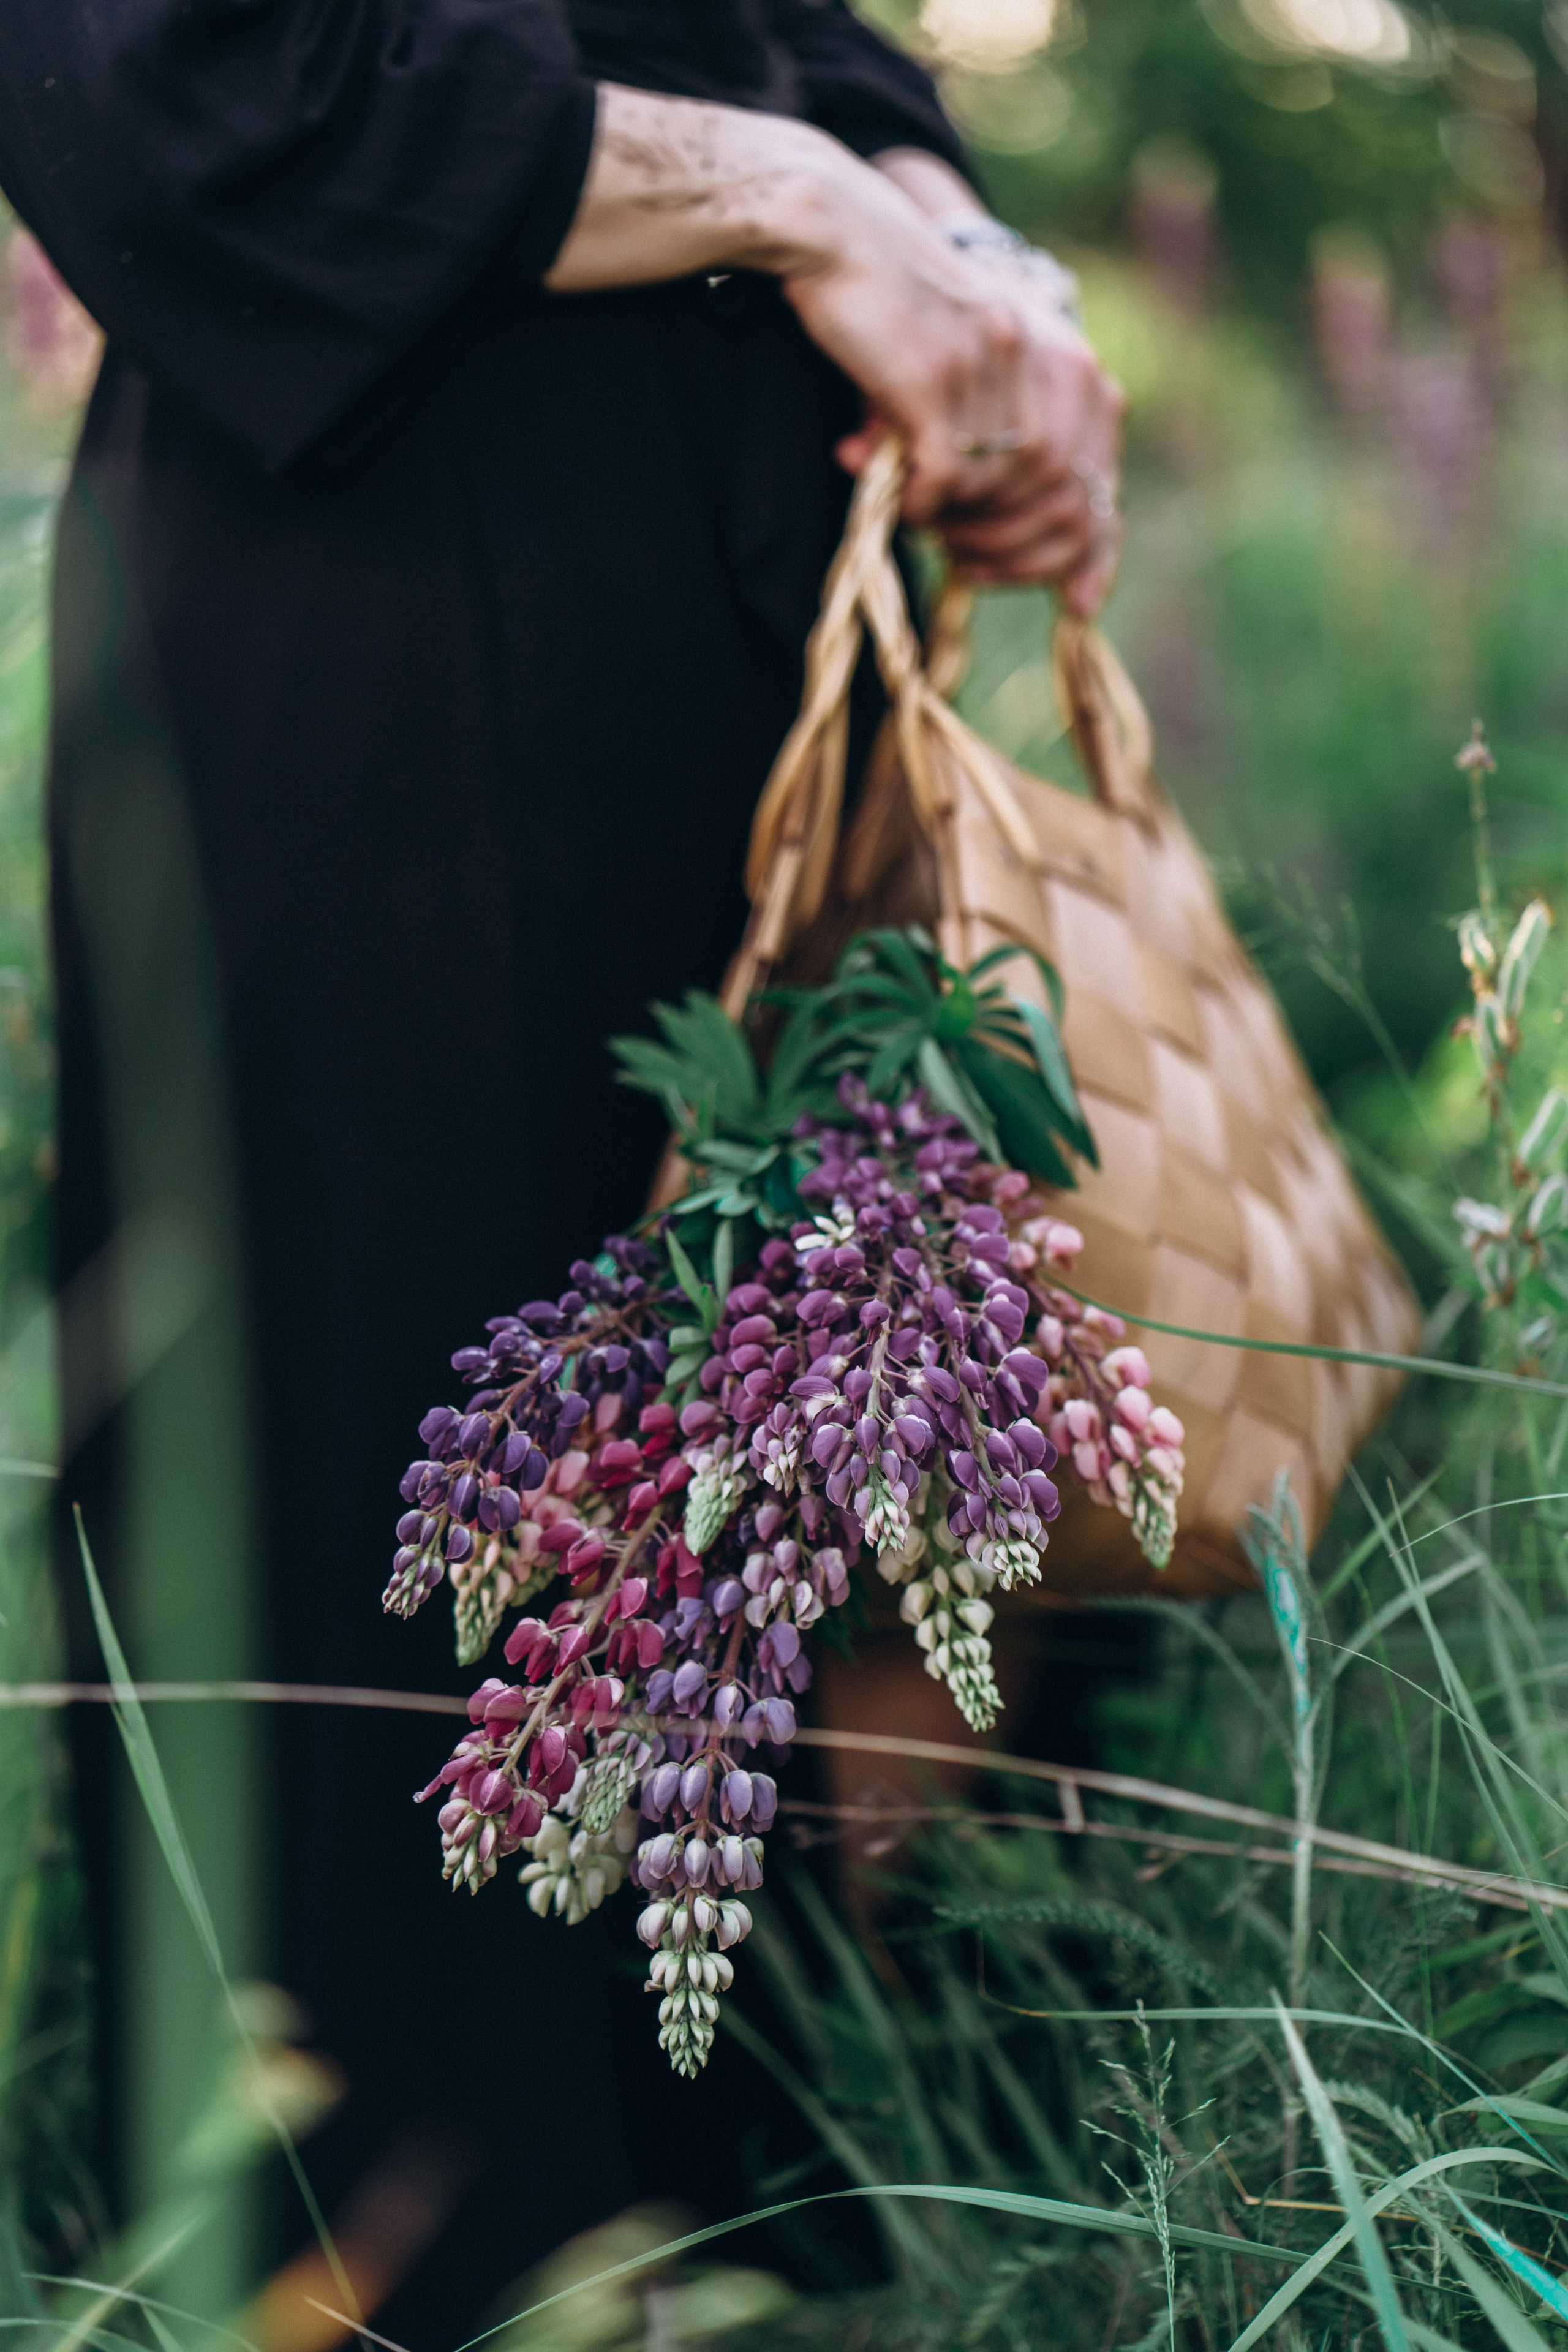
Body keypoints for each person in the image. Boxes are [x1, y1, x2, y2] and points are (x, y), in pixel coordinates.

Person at [0, 0, 1125, 2331]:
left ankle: (779, 2248)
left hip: (765, 662)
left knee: (786, 1548)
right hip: (371, 660)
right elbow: (179, 100)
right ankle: (399, 2279)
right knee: (406, 1618)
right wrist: (801, 200)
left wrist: (974, 262)